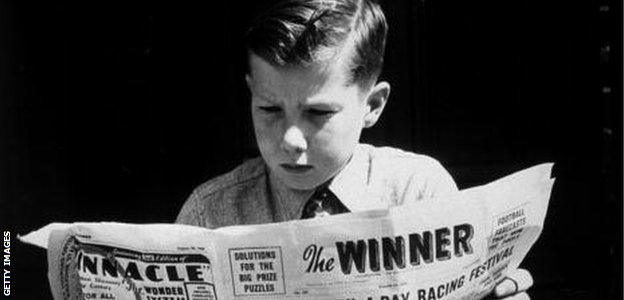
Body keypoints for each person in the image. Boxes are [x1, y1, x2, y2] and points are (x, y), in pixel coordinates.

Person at [176, 0, 533, 298]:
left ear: (373, 105)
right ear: (251, 93)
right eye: (269, 110)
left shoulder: (419, 192)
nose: (290, 140)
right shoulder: (210, 213)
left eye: (318, 113)